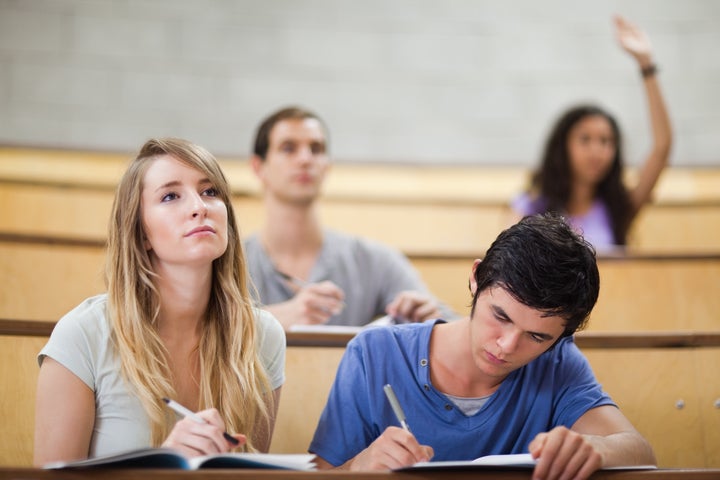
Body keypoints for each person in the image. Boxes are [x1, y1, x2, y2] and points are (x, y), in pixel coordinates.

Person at [309, 213, 656, 479]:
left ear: (561, 337)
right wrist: (357, 466)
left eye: (537, 337)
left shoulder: (558, 363)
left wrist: (595, 448)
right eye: (500, 316)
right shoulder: (375, 353)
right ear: (476, 278)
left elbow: (640, 450)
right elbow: (323, 473)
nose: (506, 346)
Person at [34, 138, 286, 466]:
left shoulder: (263, 336)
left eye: (210, 191)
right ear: (142, 234)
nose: (199, 207)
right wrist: (163, 464)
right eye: (170, 196)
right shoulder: (82, 335)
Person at [244, 106, 456, 330]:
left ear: (327, 166)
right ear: (258, 167)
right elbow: (203, 330)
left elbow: (458, 328)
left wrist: (432, 322)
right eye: (288, 148)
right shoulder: (227, 264)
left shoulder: (373, 261)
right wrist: (272, 319)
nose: (305, 159)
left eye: (316, 149)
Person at [511, 15, 672, 250]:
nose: (597, 150)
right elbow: (508, 266)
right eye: (585, 139)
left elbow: (662, 147)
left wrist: (646, 64)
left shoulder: (617, 209)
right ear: (562, 146)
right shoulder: (530, 207)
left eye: (607, 141)